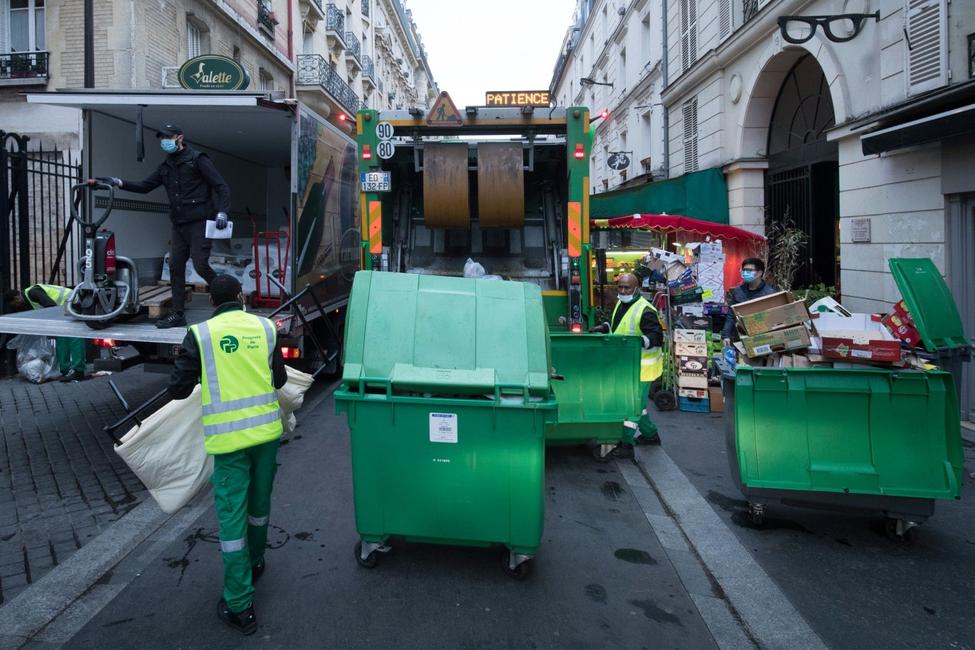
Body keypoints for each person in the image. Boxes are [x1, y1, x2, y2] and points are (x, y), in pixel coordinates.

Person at [168, 274, 287, 635]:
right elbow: (279, 380)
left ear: (212, 302)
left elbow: (178, 389)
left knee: (232, 521)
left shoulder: (200, 335)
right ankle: (256, 560)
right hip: (266, 435)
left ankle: (239, 605)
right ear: (240, 296)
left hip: (229, 444)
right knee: (259, 506)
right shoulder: (266, 328)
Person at [89, 123, 231, 329]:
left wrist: (223, 212)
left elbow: (221, 186)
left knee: (201, 264)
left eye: (168, 137)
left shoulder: (198, 160)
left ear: (180, 138)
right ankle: (178, 314)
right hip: (179, 224)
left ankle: (228, 302)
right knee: (175, 266)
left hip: (200, 222)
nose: (164, 141)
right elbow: (145, 186)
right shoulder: (166, 167)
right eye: (162, 138)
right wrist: (117, 182)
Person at [590, 272, 664, 443]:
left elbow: (657, 337)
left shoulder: (645, 310)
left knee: (632, 406)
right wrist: (604, 327)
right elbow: (620, 329)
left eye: (627, 287)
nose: (622, 291)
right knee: (639, 405)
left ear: (636, 288)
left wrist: (637, 342)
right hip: (627, 366)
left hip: (643, 369)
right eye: (620, 287)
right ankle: (651, 435)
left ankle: (625, 443)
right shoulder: (621, 304)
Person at [3, 284, 88, 382]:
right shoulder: (28, 301)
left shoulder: (33, 292)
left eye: (15, 304)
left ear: (17, 297)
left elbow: (50, 306)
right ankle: (66, 371)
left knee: (74, 337)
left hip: (72, 301)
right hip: (63, 309)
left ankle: (78, 371)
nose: (17, 307)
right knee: (61, 339)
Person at [721, 257, 779, 346]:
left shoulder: (769, 294)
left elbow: (774, 318)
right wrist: (726, 335)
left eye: (749, 270)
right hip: (740, 338)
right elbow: (731, 315)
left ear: (760, 273)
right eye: (744, 270)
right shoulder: (738, 291)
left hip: (761, 339)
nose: (745, 273)